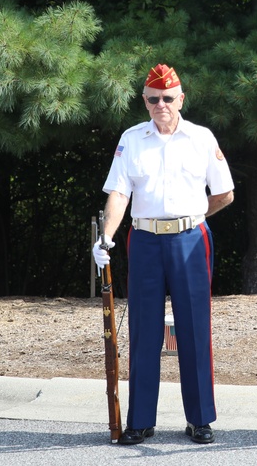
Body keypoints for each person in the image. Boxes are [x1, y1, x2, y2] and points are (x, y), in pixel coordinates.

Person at [92, 63, 234, 446]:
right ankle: (139, 420)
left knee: (193, 329)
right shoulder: (132, 139)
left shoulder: (201, 138)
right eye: (153, 99)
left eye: (168, 98)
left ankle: (200, 418)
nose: (161, 105)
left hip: (190, 238)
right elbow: (119, 193)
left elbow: (224, 193)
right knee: (143, 329)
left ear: (181, 98)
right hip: (145, 239)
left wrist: (194, 215)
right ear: (144, 101)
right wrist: (106, 236)